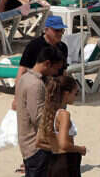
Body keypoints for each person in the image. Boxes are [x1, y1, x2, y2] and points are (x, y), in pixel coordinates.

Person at [16, 44, 65, 177]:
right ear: (47, 63)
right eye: (56, 68)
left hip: (27, 143)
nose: (55, 73)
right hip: (36, 147)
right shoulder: (35, 84)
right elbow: (38, 118)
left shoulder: (25, 78)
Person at [36, 73, 86, 176]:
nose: (75, 97)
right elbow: (64, 144)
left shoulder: (48, 112)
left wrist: (55, 148)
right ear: (66, 93)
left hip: (53, 161)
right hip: (67, 162)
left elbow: (38, 142)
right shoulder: (64, 114)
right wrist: (80, 149)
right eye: (75, 93)